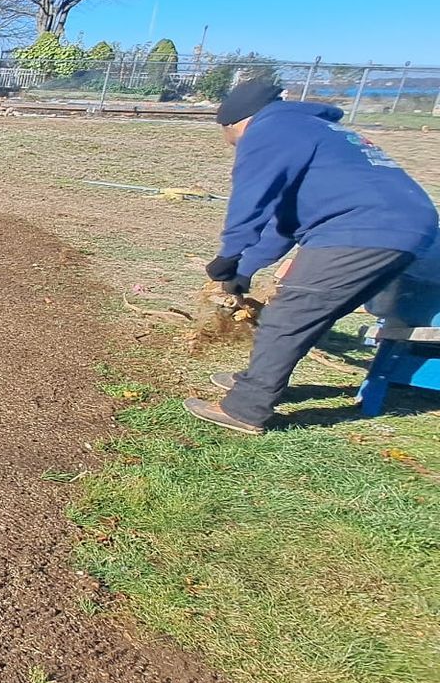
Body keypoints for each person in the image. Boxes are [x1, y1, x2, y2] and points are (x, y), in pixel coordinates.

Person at [184, 82, 437, 434]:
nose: (233, 145)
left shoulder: (268, 130)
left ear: (233, 123)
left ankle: (246, 408)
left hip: (363, 227)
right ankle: (255, 382)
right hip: (406, 229)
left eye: (229, 138)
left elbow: (250, 201)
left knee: (290, 314)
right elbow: (285, 222)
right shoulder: (308, 128)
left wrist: (228, 255)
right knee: (307, 313)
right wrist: (243, 270)